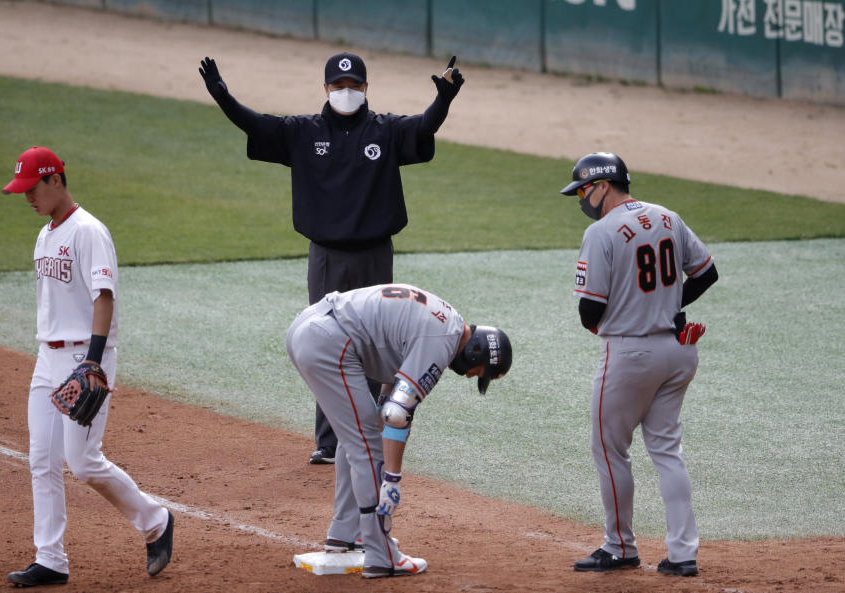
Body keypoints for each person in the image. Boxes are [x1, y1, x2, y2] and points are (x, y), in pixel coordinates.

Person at [198, 51, 464, 465]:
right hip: (326, 257)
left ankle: (371, 431)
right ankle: (328, 441)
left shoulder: (385, 131)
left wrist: (444, 99)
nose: (346, 92)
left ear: (366, 88)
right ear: (325, 88)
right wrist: (223, 98)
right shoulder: (304, 132)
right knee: (328, 343)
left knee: (375, 342)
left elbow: (424, 126)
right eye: (338, 85)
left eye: (354, 85)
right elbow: (256, 124)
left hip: (375, 256)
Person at [1, 146, 174, 587]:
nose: (28, 198)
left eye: (32, 188)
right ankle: (50, 558)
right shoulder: (44, 235)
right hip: (48, 357)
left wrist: (94, 361)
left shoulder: (89, 231)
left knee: (82, 461)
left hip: (86, 355)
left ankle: (155, 522)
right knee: (42, 458)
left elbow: (104, 297)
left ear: (55, 179)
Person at [560, 152, 718, 577]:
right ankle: (683, 554)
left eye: (582, 190)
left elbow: (589, 312)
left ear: (603, 186)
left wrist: (632, 319)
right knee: (667, 451)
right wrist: (668, 306)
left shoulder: (601, 232)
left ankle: (620, 546)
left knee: (610, 450)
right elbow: (706, 273)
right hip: (678, 349)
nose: (580, 199)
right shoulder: (668, 216)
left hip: (630, 355)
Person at [286, 283, 511, 578]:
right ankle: (382, 554)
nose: (470, 375)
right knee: (366, 445)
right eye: (478, 371)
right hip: (329, 340)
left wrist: (385, 425)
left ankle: (345, 532)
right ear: (476, 352)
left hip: (312, 327)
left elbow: (390, 397)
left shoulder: (445, 322)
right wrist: (392, 478)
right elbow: (397, 414)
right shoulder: (442, 341)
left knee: (357, 435)